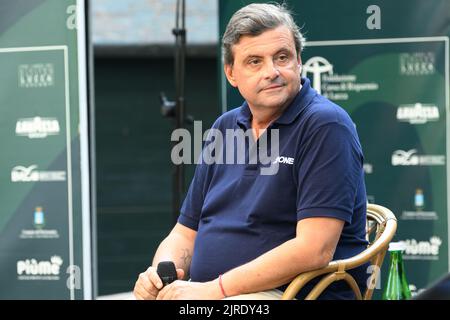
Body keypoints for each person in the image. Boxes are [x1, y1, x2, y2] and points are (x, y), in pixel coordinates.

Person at [133, 2, 369, 300]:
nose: (272, 71)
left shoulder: (325, 125)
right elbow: (184, 232)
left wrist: (214, 291)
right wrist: (160, 273)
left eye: (282, 57)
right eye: (255, 61)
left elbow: (314, 249)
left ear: (299, 62)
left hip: (293, 294)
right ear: (231, 73)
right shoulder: (225, 127)